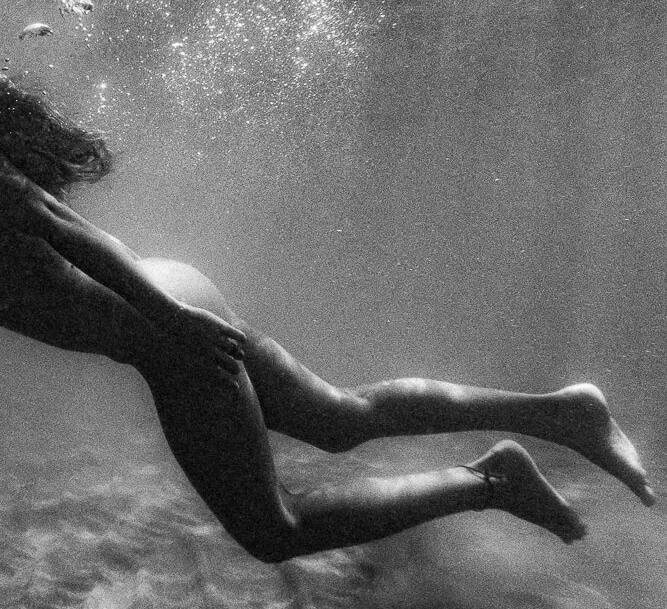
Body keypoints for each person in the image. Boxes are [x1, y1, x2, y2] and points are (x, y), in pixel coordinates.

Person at [0, 77, 655, 563]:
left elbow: (70, 231)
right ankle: (561, 414)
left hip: (165, 324)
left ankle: (491, 481)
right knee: (340, 419)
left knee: (274, 529)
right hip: (169, 297)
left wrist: (170, 317)